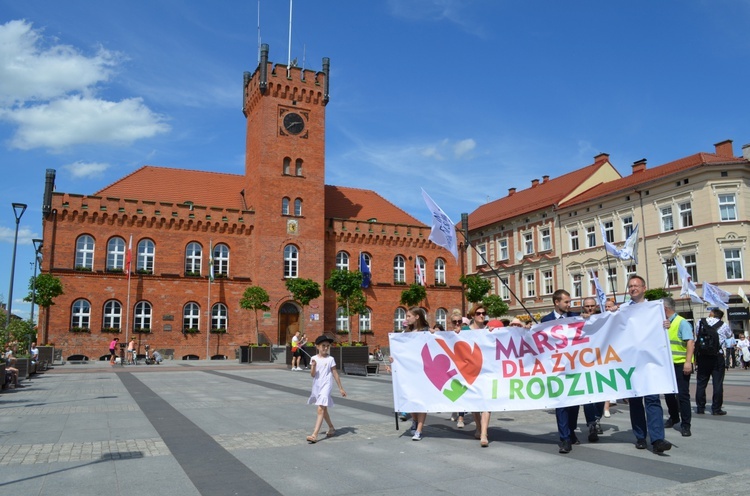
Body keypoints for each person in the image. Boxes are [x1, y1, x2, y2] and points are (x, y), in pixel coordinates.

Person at [622, 275, 671, 453]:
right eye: (630, 286)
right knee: (635, 401)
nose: (633, 288)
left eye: (636, 285)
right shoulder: (623, 309)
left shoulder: (655, 308)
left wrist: (666, 325)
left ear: (644, 288)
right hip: (632, 363)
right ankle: (640, 436)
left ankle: (658, 439)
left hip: (651, 362)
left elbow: (661, 331)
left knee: (652, 400)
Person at [541, 289, 582, 453]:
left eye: (569, 302)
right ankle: (564, 438)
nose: (569, 305)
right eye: (566, 302)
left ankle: (571, 431)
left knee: (573, 404)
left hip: (574, 366)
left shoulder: (574, 317)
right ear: (556, 302)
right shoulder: (546, 320)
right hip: (556, 369)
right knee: (561, 404)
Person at [662, 297, 694, 437]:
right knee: (668, 393)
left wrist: (688, 362)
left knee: (682, 395)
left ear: (665, 309)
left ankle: (686, 425)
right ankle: (674, 417)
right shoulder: (665, 323)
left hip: (681, 363)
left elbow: (690, 343)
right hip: (668, 364)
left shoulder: (682, 323)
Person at [306, 334, 346, 443]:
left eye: (327, 346)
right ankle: (331, 428)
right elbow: (313, 375)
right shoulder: (313, 359)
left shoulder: (330, 359)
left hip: (326, 385)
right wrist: (313, 366)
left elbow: (335, 373)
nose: (326, 348)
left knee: (320, 409)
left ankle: (314, 434)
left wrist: (341, 388)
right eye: (323, 345)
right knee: (324, 410)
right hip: (317, 386)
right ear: (317, 346)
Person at [695, 308, 732, 415]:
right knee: (718, 383)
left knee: (701, 382)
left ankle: (700, 407)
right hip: (717, 357)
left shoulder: (700, 322)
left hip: (703, 356)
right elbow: (729, 335)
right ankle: (716, 408)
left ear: (712, 314)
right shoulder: (723, 325)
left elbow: (697, 334)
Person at [466, 303, 492, 447]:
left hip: (487, 372)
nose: (481, 315)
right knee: (475, 404)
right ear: (473, 315)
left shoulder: (489, 330)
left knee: (487, 403)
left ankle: (484, 434)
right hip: (471, 372)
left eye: (483, 313)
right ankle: (478, 426)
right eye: (478, 313)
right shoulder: (465, 331)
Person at [580, 297, 605, 441]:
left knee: (600, 394)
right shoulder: (578, 320)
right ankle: (591, 423)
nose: (589, 308)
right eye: (587, 306)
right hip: (584, 363)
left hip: (601, 361)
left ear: (596, 307)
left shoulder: (603, 319)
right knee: (588, 396)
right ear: (583, 308)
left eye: (592, 306)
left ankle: (597, 418)